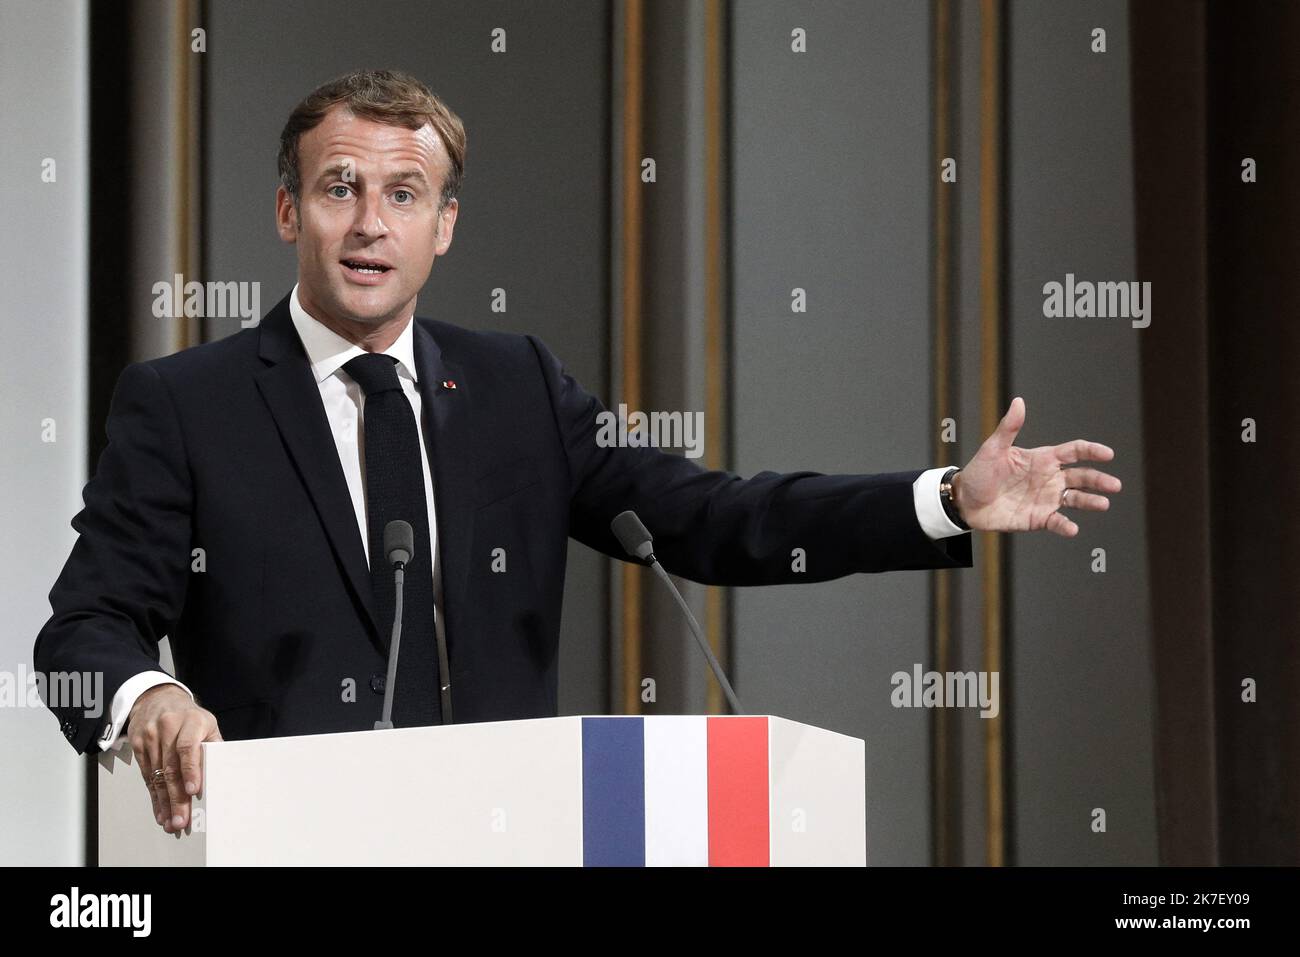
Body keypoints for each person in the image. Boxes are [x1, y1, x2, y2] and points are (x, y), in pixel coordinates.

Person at [34, 70, 1121, 836]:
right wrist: (146, 700)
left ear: (444, 227)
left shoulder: (515, 385)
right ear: (288, 211)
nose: (371, 222)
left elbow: (713, 517)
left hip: (511, 836)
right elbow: (79, 630)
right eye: (338, 189)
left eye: (403, 194)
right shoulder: (187, 404)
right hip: (285, 845)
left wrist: (941, 499)